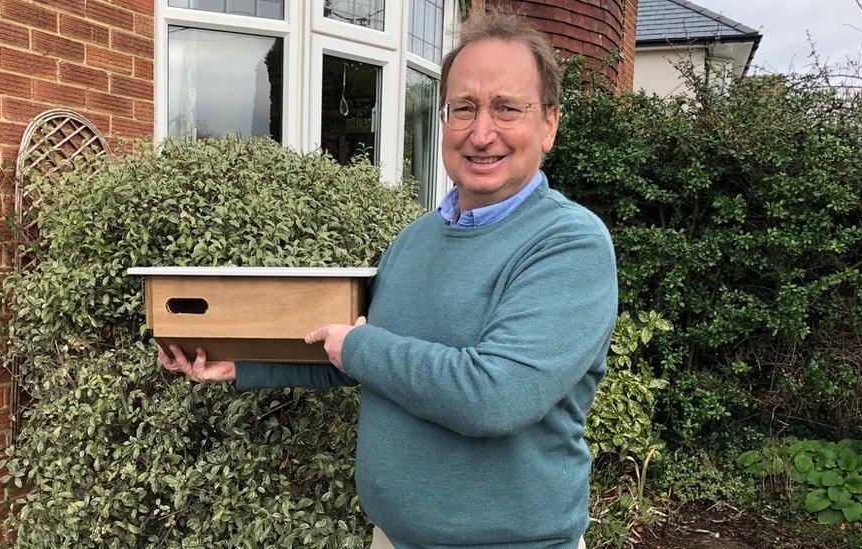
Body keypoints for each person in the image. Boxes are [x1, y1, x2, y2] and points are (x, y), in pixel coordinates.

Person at [159, 10, 618, 549]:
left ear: (549, 124)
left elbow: (494, 395)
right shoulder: (415, 240)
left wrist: (359, 346)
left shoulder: (569, 244)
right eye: (464, 108)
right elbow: (362, 359)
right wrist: (244, 361)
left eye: (507, 108)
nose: (481, 132)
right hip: (393, 538)